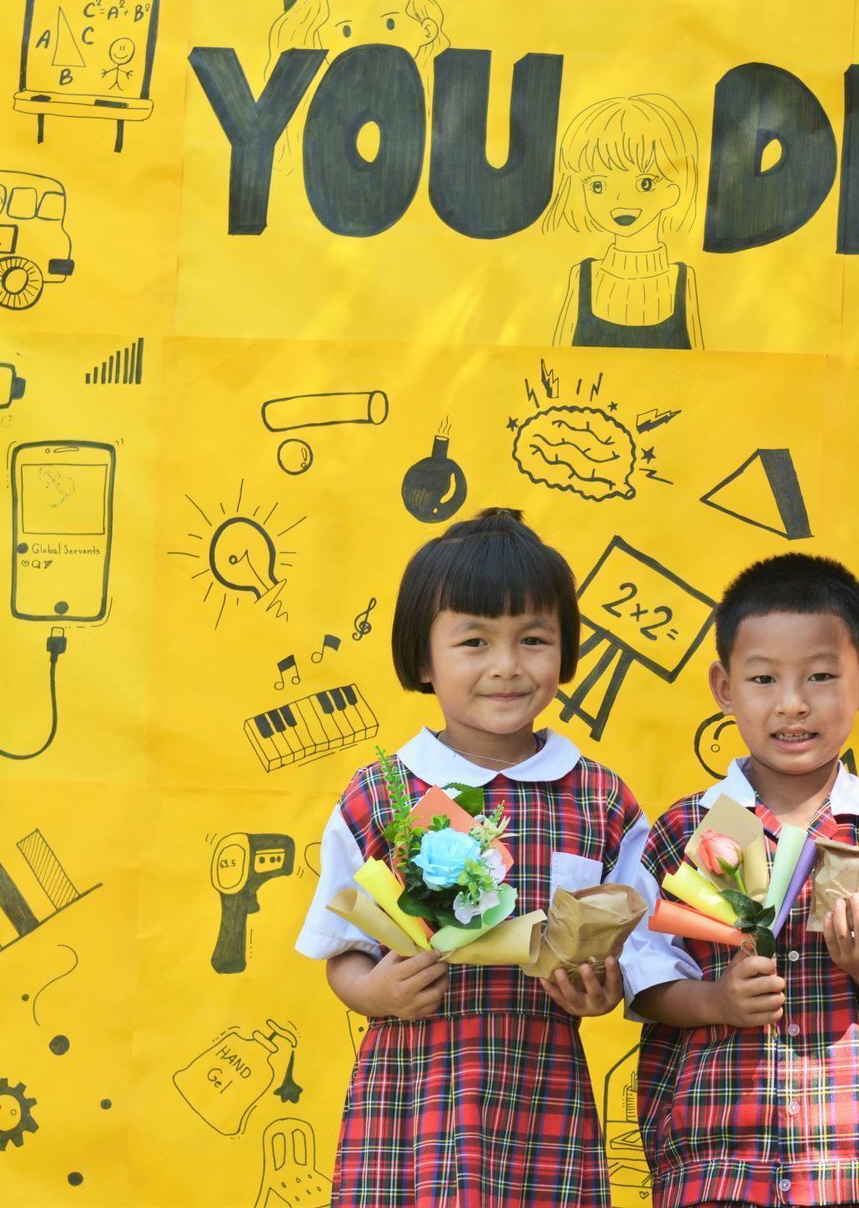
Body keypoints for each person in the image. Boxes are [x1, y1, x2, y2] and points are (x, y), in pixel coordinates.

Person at [293, 509, 648, 1207]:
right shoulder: (381, 794)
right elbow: (342, 949)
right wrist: (374, 994)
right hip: (405, 1106)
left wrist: (604, 991)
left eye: (534, 639)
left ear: (566, 651)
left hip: (544, 1104)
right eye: (475, 640)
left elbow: (633, 956)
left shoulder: (602, 800)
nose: (507, 666)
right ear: (424, 658)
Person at [620, 553, 859, 1207]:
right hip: (716, 1162)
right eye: (763, 679)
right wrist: (716, 1002)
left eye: (819, 676)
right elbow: (642, 977)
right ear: (724, 687)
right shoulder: (687, 828)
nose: (792, 704)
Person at [267, 0, 452, 171]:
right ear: (312, 38)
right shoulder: (298, 141)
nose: (369, 45)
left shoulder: (439, 124)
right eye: (345, 29)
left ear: (425, 30)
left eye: (390, 23)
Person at [543, 93, 705, 349]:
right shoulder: (582, 277)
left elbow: (702, 373)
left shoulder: (684, 281)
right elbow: (554, 365)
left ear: (671, 193)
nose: (619, 198)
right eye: (598, 184)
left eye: (644, 183)